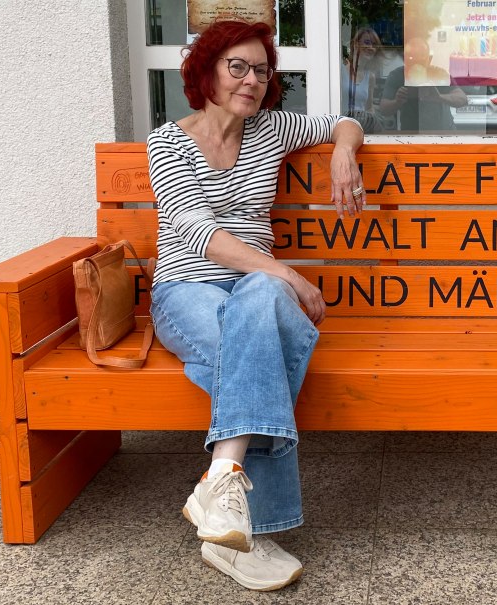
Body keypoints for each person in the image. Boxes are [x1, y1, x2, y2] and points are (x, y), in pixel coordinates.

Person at [146, 20, 365, 592]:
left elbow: (345, 120)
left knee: (262, 308)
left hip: (254, 292)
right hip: (186, 292)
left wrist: (344, 152)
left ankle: (221, 494)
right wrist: (288, 272)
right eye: (236, 67)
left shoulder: (270, 129)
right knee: (258, 344)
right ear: (207, 71)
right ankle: (249, 525)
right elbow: (194, 231)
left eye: (261, 70)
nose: (251, 80)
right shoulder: (168, 140)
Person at [379, 38, 467, 133]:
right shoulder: (397, 76)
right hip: (412, 136)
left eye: (421, 57)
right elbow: (384, 109)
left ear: (429, 59)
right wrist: (397, 102)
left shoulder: (438, 73)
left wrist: (439, 97)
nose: (416, 60)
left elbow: (462, 99)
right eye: (412, 57)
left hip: (443, 134)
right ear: (405, 59)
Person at [341, 27, 383, 133]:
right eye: (367, 42)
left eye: (374, 45)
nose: (371, 47)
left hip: (361, 129)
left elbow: (369, 108)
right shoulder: (340, 70)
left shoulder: (370, 77)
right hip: (341, 127)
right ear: (356, 44)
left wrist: (374, 125)